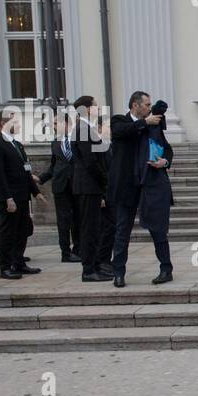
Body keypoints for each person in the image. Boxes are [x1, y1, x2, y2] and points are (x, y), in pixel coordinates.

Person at [108, 91, 175, 288]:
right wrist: (146, 123)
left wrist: (165, 161)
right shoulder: (119, 120)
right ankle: (118, 273)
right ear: (135, 105)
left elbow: (167, 148)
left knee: (158, 229)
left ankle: (166, 269)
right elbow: (121, 132)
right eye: (146, 104)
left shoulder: (152, 127)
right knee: (122, 231)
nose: (149, 108)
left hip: (150, 184)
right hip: (127, 185)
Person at [0, 114, 43, 281]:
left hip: (22, 195)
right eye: (14, 121)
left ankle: (19, 262)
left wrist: (36, 192)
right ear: (3, 123)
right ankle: (5, 266)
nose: (18, 124)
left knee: (22, 230)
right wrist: (7, 198)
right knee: (7, 231)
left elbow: (26, 171)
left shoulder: (17, 144)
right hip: (9, 197)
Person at [70, 95, 111, 283]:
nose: (97, 108)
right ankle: (88, 270)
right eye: (95, 106)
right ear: (86, 109)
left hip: (91, 185)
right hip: (88, 185)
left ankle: (94, 266)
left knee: (94, 229)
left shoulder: (86, 127)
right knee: (89, 229)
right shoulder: (82, 129)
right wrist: (105, 180)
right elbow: (90, 161)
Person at [39, 112, 81, 263]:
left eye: (56, 123)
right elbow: (53, 165)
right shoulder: (55, 143)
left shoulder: (78, 140)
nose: (53, 126)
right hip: (60, 186)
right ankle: (65, 252)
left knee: (78, 218)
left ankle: (79, 249)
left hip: (77, 184)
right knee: (63, 220)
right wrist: (41, 178)